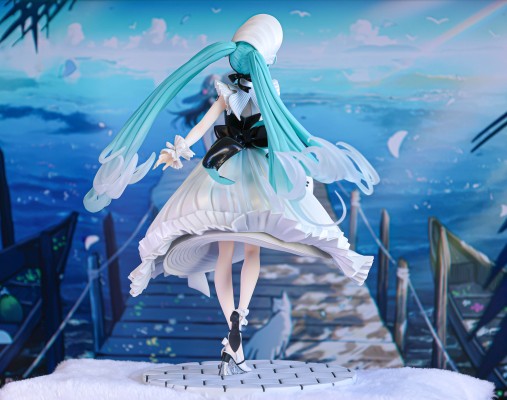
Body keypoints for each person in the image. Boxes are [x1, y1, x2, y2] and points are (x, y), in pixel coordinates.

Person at [83, 14, 380, 376]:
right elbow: (281, 131)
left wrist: (179, 149)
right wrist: (298, 169)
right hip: (257, 173)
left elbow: (203, 126)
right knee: (252, 249)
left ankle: (231, 327)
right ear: (268, 58)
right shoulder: (270, 91)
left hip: (224, 169)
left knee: (226, 251)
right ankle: (242, 314)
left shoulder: (227, 90)